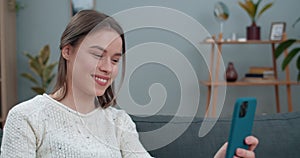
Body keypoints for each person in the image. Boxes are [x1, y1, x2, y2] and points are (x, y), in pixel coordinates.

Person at [0, 10, 258, 157]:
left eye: (115, 59)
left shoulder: (119, 123)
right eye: (97, 54)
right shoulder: (27, 117)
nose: (107, 68)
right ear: (67, 51)